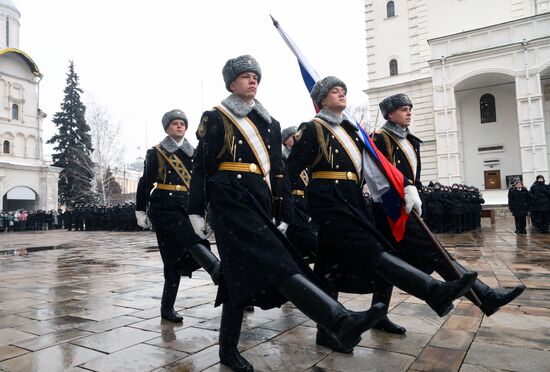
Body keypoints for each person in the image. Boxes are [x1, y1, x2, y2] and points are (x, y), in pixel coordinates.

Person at [188, 56, 387, 372]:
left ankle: (227, 350)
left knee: (236, 276)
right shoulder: (217, 117)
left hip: (259, 204)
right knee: (280, 263)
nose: (252, 80)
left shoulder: (269, 122)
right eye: (245, 76)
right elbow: (201, 166)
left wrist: (283, 212)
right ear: (231, 83)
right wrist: (195, 211)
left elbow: (279, 173)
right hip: (229, 203)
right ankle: (338, 319)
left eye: (256, 76)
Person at [286, 77, 478, 352]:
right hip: (328, 200)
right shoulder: (314, 128)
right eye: (334, 91)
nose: (341, 93)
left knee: (328, 266)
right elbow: (294, 171)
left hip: (352, 197)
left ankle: (326, 331)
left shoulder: (351, 132)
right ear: (321, 99)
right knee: (372, 249)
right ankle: (432, 291)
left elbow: (371, 169)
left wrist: (401, 189)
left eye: (343, 90)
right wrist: (295, 208)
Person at [371, 93, 525, 324]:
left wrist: (415, 193)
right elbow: (377, 174)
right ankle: (484, 295)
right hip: (392, 209)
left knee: (393, 264)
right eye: (403, 109)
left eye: (410, 108)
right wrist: (404, 191)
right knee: (435, 253)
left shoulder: (411, 141)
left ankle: (378, 315)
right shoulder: (380, 139)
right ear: (390, 114)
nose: (409, 112)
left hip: (413, 205)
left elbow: (416, 177)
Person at [135, 109, 221, 323]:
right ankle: (215, 270)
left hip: (187, 206)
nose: (179, 126)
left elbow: (202, 184)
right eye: (174, 123)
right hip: (164, 207)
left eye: (182, 123)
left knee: (172, 263)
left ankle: (167, 309)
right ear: (167, 128)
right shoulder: (156, 152)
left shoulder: (195, 153)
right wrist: (140, 209)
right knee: (191, 240)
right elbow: (145, 182)